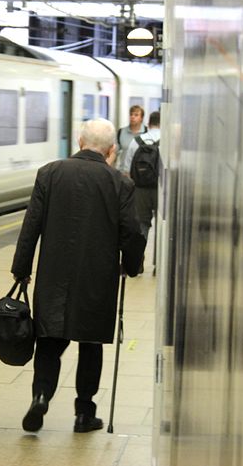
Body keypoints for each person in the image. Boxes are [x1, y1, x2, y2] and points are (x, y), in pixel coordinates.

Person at [11, 118, 146, 434]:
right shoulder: (120, 183)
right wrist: (132, 264)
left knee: (48, 340)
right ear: (112, 150)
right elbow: (132, 233)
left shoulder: (50, 173)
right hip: (97, 278)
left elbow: (31, 225)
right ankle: (85, 413)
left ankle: (41, 396)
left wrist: (22, 268)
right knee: (91, 343)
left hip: (53, 274)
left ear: (79, 141)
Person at [120, 110, 161, 240]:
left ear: (148, 124)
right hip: (160, 188)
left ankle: (139, 254)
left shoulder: (136, 141)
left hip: (140, 189)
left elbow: (127, 169)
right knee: (162, 224)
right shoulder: (166, 141)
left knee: (142, 224)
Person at [115, 104, 147, 168]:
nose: (132, 117)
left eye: (136, 115)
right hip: (123, 172)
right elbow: (114, 152)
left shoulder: (147, 132)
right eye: (131, 114)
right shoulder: (121, 132)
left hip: (141, 173)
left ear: (141, 118)